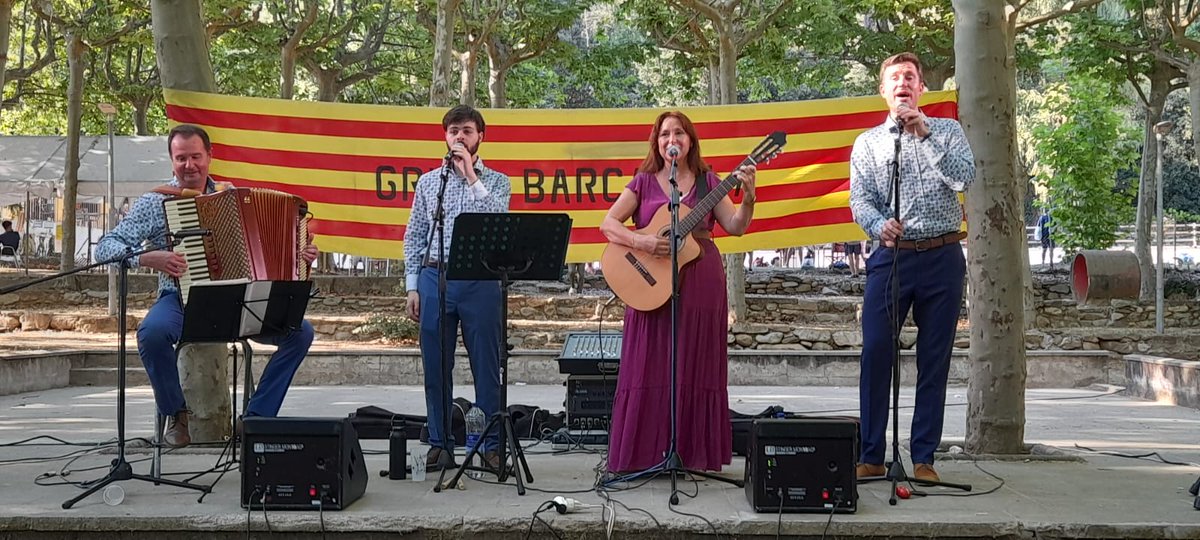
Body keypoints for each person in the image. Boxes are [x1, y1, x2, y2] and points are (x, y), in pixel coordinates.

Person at [95, 124, 317, 448]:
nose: (189, 165)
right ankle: (177, 415)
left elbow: (273, 250)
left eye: (196, 157)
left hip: (238, 301)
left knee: (301, 333)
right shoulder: (155, 202)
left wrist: (302, 254)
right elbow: (105, 248)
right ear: (171, 160)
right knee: (151, 333)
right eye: (181, 158)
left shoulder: (234, 197)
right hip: (181, 301)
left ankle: (256, 419)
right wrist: (147, 258)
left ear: (209, 157)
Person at [599, 111, 757, 473]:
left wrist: (749, 197)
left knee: (695, 363)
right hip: (650, 284)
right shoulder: (642, 182)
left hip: (701, 279)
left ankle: (691, 454)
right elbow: (608, 224)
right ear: (657, 142)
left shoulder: (709, 183)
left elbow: (735, 227)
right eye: (665, 133)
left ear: (690, 140)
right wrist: (641, 240)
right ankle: (644, 453)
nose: (672, 139)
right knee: (648, 364)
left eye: (680, 133)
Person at [848, 52, 976, 483]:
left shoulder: (947, 130)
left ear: (921, 88)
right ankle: (871, 454)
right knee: (875, 352)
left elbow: (964, 178)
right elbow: (859, 198)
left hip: (942, 257)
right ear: (883, 91)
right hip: (891, 256)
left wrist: (924, 135)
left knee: (933, 358)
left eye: (910, 77)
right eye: (894, 78)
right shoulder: (868, 143)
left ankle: (924, 458)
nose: (903, 83)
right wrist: (876, 223)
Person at [403, 105, 511, 472]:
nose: (459, 137)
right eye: (453, 131)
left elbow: (500, 220)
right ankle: (440, 443)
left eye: (467, 130)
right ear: (444, 137)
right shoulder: (430, 182)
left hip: (480, 279)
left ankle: (491, 446)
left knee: (487, 365)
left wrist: (470, 178)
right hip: (435, 277)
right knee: (436, 365)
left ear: (480, 137)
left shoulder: (497, 181)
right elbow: (415, 235)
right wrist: (413, 285)